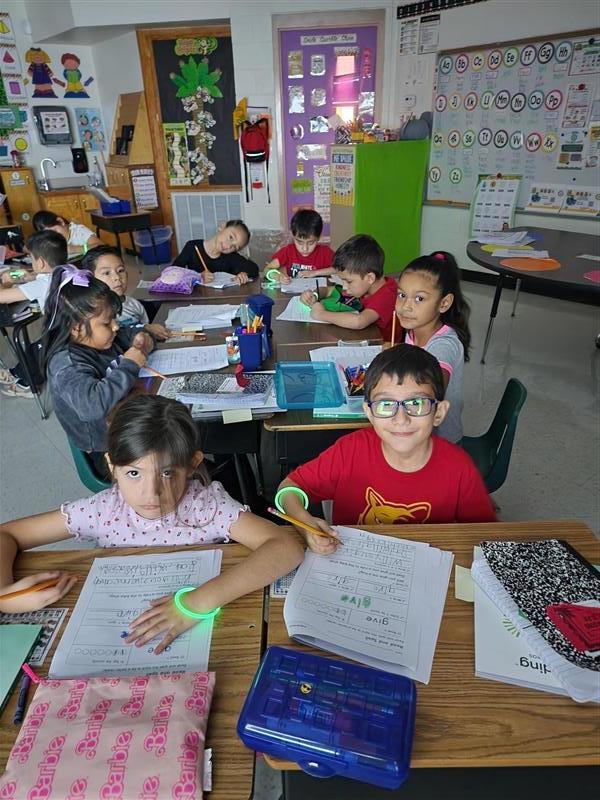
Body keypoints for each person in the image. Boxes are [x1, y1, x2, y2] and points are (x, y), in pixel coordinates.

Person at [0, 394, 305, 653]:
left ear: (193, 464)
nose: (151, 493)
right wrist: (5, 597)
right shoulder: (102, 510)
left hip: (200, 637)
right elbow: (7, 534)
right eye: (134, 473)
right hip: (120, 638)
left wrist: (196, 603)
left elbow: (286, 547)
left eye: (167, 473)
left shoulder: (206, 507)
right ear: (112, 466)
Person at [277, 344, 495, 553]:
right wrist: (306, 527)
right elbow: (289, 488)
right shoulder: (350, 451)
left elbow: (486, 534)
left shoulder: (458, 467)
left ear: (439, 412)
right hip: (354, 566)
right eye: (385, 405)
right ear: (369, 413)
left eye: (417, 404)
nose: (401, 418)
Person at [41, 265, 154, 477]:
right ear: (76, 328)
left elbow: (127, 333)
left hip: (129, 422)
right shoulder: (66, 364)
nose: (115, 327)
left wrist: (140, 338)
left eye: (114, 318)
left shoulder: (101, 339)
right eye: (107, 322)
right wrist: (129, 364)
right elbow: (91, 405)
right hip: (107, 452)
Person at [396, 251, 470, 443]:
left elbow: (425, 397)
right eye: (402, 295)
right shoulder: (414, 329)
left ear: (444, 303)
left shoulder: (443, 346)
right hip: (415, 433)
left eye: (419, 298)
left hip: (439, 443)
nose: (405, 306)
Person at [0, 230, 69, 399]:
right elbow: (37, 277)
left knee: (36, 350)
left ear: (41, 262)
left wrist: (7, 281)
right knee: (34, 347)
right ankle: (16, 373)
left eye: (31, 258)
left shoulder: (42, 284)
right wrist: (24, 277)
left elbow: (2, 297)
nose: (30, 262)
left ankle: (25, 384)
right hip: (70, 327)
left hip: (61, 336)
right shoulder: (67, 270)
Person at [300, 234, 397, 340]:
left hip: (383, 348)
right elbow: (329, 290)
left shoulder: (387, 295)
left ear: (370, 278)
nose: (345, 287)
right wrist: (314, 294)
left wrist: (321, 314)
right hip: (365, 337)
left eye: (348, 281)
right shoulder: (363, 286)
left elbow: (359, 321)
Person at [82, 245, 169, 340]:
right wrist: (145, 328)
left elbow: (148, 331)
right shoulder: (92, 314)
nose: (117, 277)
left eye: (120, 270)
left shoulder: (135, 305)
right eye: (107, 273)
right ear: (90, 279)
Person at [173, 219, 258, 285]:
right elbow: (172, 271)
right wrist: (198, 277)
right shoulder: (192, 246)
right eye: (231, 237)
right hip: (194, 299)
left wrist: (244, 273)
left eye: (235, 247)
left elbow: (254, 268)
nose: (228, 246)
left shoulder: (231, 256)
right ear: (222, 227)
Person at [264, 209, 334, 284]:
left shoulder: (325, 252)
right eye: (300, 242)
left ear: (319, 237)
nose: (305, 248)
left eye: (311, 243)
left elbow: (339, 268)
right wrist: (278, 277)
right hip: (291, 293)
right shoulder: (288, 251)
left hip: (316, 294)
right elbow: (267, 269)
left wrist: (315, 273)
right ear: (293, 236)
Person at [32, 210, 102, 258]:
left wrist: (75, 249)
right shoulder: (50, 240)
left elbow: (101, 246)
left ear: (60, 221)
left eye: (55, 231)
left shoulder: (78, 231)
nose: (54, 236)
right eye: (49, 235)